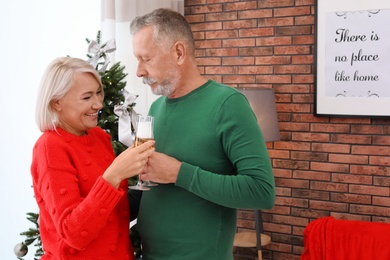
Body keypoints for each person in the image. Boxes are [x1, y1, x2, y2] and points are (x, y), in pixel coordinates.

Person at [128, 8, 276, 260]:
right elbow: (150, 186)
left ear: (178, 52)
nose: (139, 71)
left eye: (147, 58)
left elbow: (262, 191)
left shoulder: (229, 104)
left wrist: (178, 173)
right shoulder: (156, 107)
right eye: (137, 59)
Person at [31, 57, 155, 259]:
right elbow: (73, 234)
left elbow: (112, 214)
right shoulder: (50, 147)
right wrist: (114, 175)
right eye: (87, 97)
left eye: (98, 93)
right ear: (57, 103)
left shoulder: (99, 137)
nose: (98, 104)